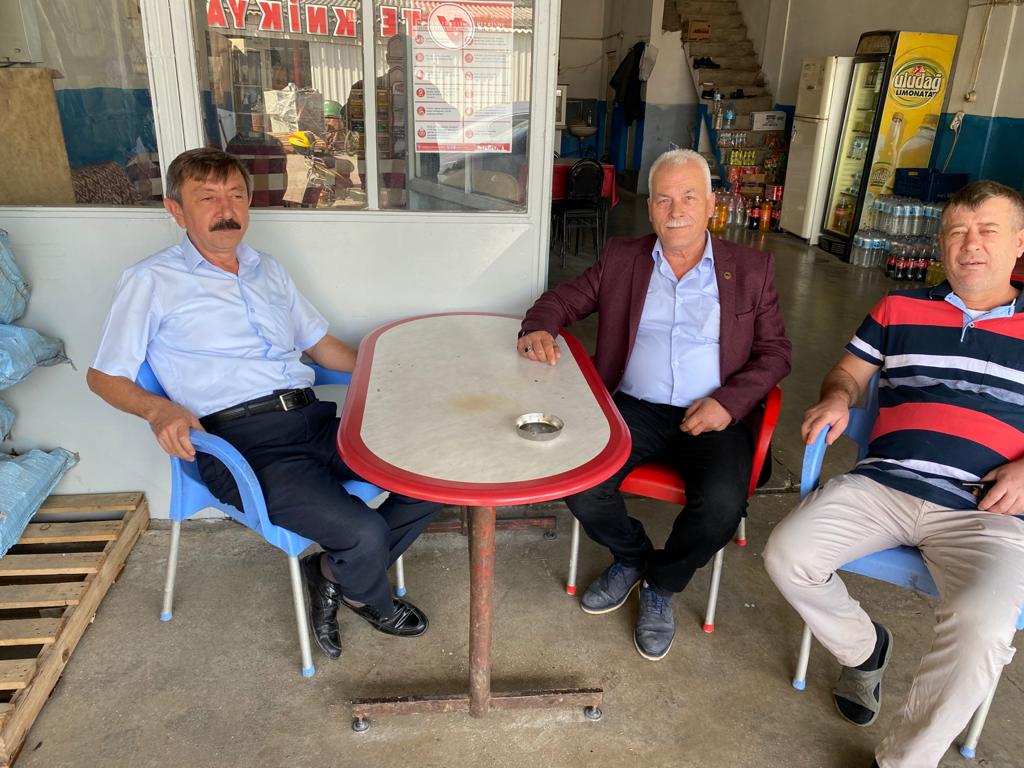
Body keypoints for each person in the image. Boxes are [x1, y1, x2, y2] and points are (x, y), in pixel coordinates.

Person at [86, 148, 440, 660]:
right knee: (362, 531)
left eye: (235, 195)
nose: (225, 209)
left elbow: (322, 347)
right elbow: (103, 376)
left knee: (433, 475)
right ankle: (368, 595)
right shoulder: (151, 280)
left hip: (313, 421)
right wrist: (158, 410)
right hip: (241, 445)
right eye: (207, 198)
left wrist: (393, 372)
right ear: (176, 211)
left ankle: (330, 571)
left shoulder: (267, 269)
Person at [764, 180, 1024, 767]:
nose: (970, 244)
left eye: (987, 230)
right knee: (787, 553)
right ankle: (864, 650)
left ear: (1019, 242)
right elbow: (847, 374)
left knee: (984, 627)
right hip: (883, 485)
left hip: (985, 510)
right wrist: (837, 398)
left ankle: (905, 761)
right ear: (941, 242)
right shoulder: (898, 308)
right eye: (957, 231)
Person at [518, 148, 792, 660]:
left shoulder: (751, 269)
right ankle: (633, 557)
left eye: (689, 197)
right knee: (581, 482)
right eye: (663, 199)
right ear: (649, 209)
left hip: (714, 414)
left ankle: (661, 585)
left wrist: (728, 403)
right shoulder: (623, 258)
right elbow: (562, 300)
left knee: (722, 506)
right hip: (634, 408)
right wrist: (539, 326)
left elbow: (775, 352)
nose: (676, 211)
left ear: (711, 204)